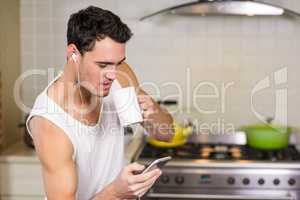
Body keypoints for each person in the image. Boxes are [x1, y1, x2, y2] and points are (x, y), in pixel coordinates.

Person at [26, 6, 174, 200]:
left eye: (118, 62)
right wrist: (116, 192)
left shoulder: (119, 73)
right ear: (73, 53)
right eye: (103, 65)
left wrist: (152, 111)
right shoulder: (51, 122)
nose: (113, 74)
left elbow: (166, 134)